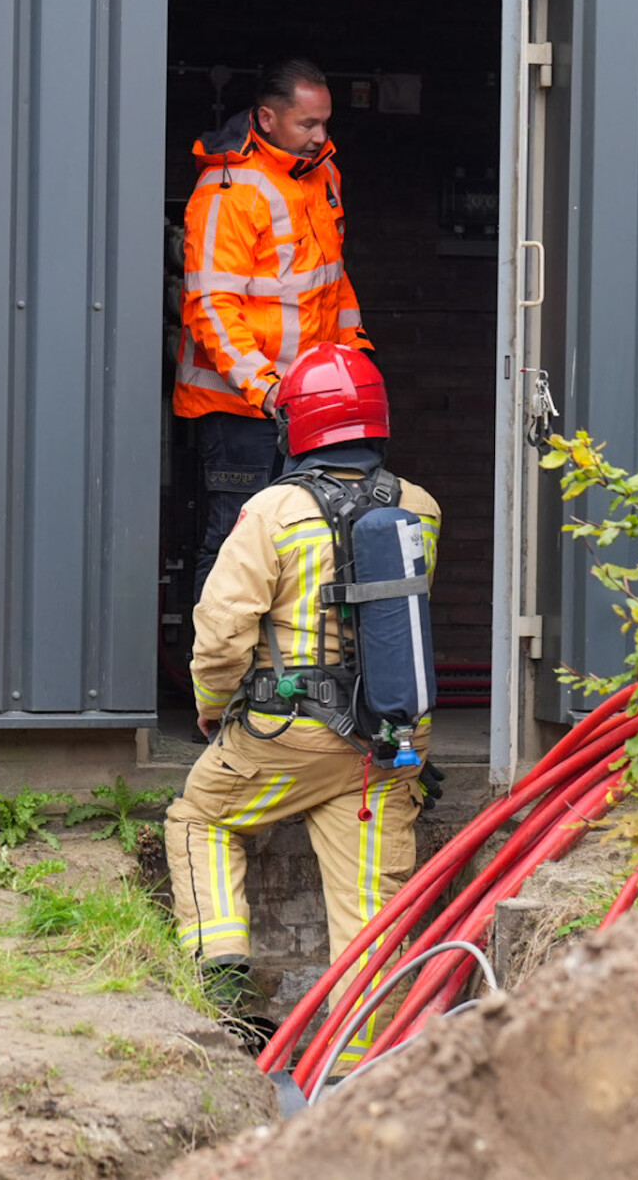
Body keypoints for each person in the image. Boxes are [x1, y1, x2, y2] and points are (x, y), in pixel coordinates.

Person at [165, 343, 438, 1066]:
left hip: (286, 737)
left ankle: (222, 964)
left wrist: (213, 703)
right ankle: (362, 1070)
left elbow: (221, 630)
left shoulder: (271, 511)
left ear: (296, 427)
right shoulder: (419, 507)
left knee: (198, 816)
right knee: (371, 912)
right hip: (387, 743)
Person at [176, 58, 370, 598]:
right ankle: (215, 681)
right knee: (236, 545)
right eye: (307, 124)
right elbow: (212, 307)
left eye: (324, 123)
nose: (320, 136)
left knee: (305, 543)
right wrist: (266, 390)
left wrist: (356, 359)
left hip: (309, 403)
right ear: (266, 118)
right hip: (243, 410)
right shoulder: (228, 191)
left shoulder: (322, 174)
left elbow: (332, 281)